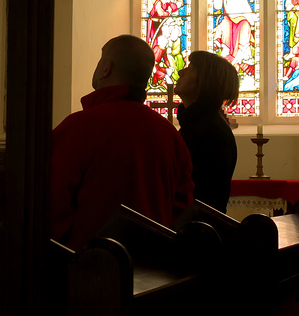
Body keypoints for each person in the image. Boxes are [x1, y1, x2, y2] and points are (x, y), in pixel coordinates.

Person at [51, 35, 194, 250]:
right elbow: (182, 209)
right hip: (154, 268)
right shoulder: (170, 134)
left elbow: (52, 204)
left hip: (88, 267)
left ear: (106, 68)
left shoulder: (80, 127)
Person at [174, 50, 239, 213]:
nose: (181, 72)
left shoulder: (212, 131)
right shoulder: (196, 123)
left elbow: (204, 198)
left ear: (205, 81)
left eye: (190, 69)